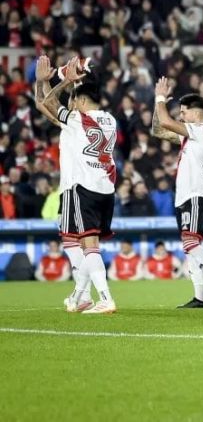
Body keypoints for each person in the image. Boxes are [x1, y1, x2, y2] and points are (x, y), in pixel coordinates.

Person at [35, 56, 117, 314]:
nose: (68, 104)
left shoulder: (75, 120)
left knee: (83, 243)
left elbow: (46, 102)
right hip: (105, 186)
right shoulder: (109, 120)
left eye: (72, 100)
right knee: (74, 239)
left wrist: (54, 82)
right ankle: (79, 296)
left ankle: (103, 297)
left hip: (79, 188)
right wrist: (45, 83)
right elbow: (45, 104)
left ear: (80, 101)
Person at [152, 78, 203, 309]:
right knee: (189, 248)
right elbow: (158, 129)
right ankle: (200, 297)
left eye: (184, 112)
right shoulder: (190, 136)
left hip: (196, 194)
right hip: (185, 195)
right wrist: (160, 103)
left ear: (196, 114)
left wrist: (160, 98)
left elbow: (165, 120)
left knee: (190, 243)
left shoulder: (202, 130)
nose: (181, 116)